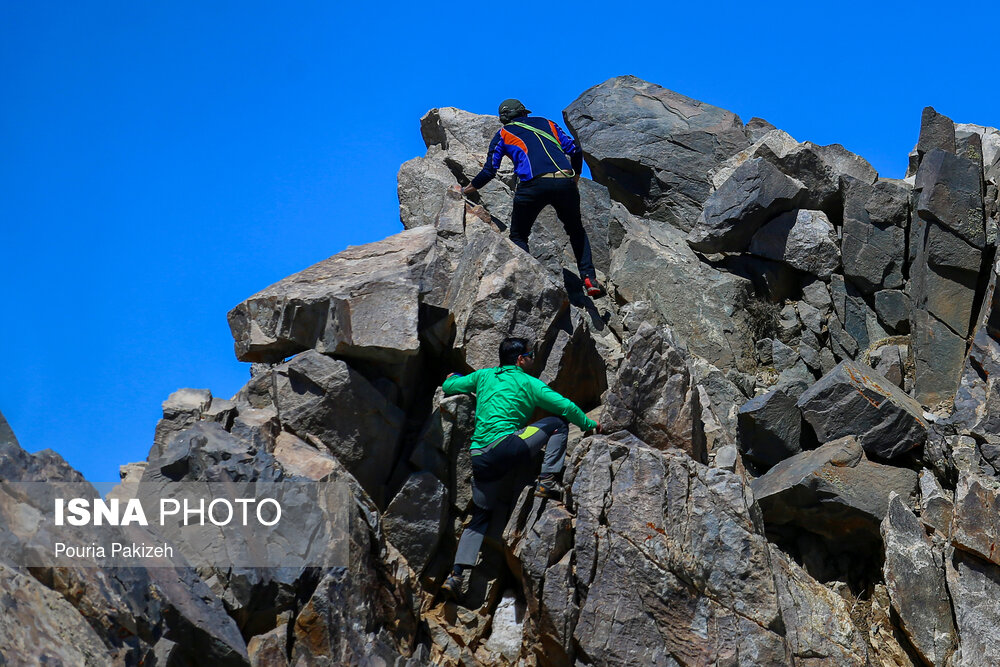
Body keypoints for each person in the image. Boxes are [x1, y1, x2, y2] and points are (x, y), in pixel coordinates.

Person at [439, 337, 600, 599]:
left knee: (480, 516)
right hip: (507, 447)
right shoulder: (528, 382)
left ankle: (456, 575)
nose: (532, 359)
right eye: (530, 355)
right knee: (558, 423)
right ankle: (547, 480)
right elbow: (566, 406)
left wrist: (453, 376)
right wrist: (589, 424)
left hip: (479, 457)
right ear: (520, 359)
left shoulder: (482, 376)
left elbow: (450, 384)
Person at [453, 99, 605, 298]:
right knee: (576, 230)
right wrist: (575, 176)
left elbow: (490, 171)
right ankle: (589, 278)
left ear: (503, 119)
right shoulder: (548, 123)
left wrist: (465, 190)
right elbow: (575, 149)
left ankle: (529, 282)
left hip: (532, 186)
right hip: (564, 181)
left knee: (518, 236)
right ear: (524, 113)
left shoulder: (503, 134)